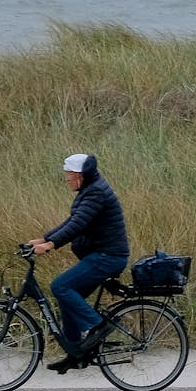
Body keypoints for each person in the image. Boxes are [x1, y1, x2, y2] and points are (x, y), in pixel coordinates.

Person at [29, 153, 128, 373]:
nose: (66, 179)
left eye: (69, 175)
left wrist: (51, 245)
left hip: (108, 257)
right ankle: (75, 354)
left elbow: (78, 225)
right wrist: (45, 238)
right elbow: (73, 221)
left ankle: (98, 326)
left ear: (80, 176)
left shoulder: (96, 193)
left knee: (60, 286)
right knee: (68, 299)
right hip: (101, 255)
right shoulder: (90, 190)